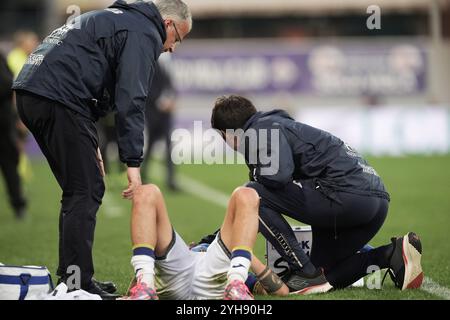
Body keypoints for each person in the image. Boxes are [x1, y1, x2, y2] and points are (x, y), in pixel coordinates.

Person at [12, 0, 192, 299]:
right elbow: (131, 99)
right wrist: (132, 164)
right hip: (56, 96)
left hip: (34, 92)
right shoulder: (145, 30)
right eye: (177, 39)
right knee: (85, 190)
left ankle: (74, 278)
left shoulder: (116, 18)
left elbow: (90, 74)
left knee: (79, 188)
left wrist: (91, 139)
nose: (172, 48)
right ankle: (75, 284)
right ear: (168, 25)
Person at [210, 95, 423, 294]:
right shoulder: (276, 124)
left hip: (344, 197)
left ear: (227, 134)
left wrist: (255, 177)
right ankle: (390, 253)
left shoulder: (260, 129)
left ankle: (302, 270)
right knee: (325, 277)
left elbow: (275, 178)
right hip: (374, 203)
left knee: (253, 193)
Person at [121, 184, 289, 300]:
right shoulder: (192, 250)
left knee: (247, 193)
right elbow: (131, 288)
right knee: (145, 192)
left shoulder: (238, 259)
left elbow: (281, 291)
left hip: (218, 279)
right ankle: (145, 286)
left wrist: (244, 250)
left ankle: (236, 284)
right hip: (176, 271)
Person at [141, 60, 178, 190]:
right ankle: (142, 175)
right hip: (154, 115)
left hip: (165, 116)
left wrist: (171, 100)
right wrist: (160, 102)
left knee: (168, 147)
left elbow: (170, 87)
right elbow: (147, 88)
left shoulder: (164, 66)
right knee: (151, 147)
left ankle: (171, 180)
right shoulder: (151, 64)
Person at [0, 52, 27, 219]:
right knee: (10, 164)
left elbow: (9, 85)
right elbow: (8, 84)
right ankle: (18, 205)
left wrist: (17, 118)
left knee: (10, 164)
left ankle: (19, 204)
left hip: (4, 122)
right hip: (4, 121)